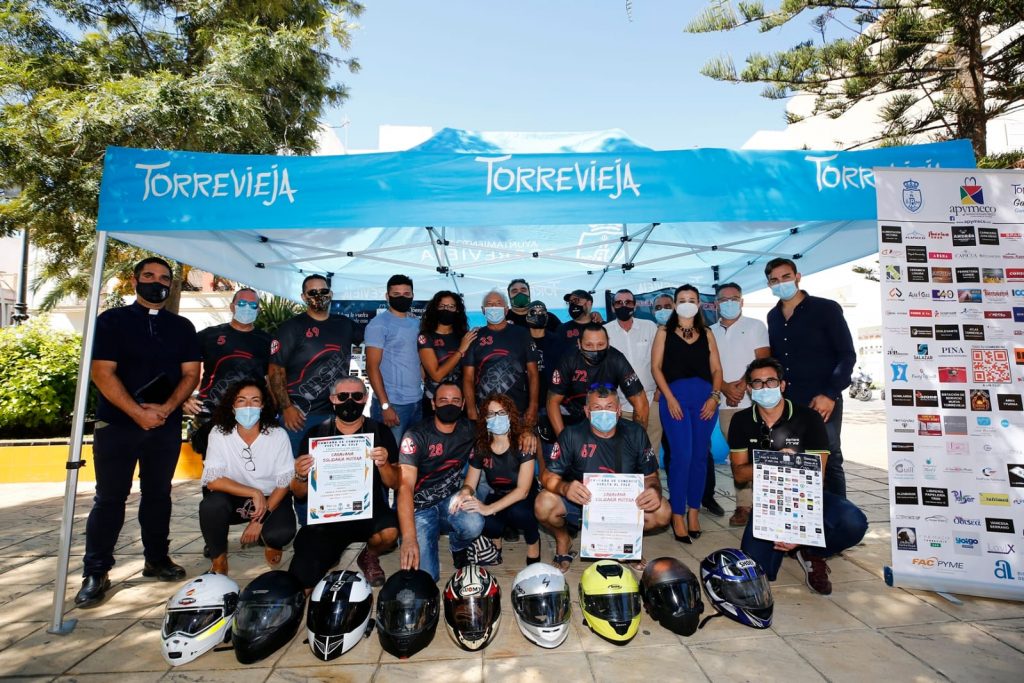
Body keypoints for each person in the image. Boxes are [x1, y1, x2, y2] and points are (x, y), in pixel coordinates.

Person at [76, 257, 201, 608]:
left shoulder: (182, 327)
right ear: (135, 281)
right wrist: (136, 412)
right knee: (110, 498)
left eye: (163, 277)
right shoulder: (112, 321)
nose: (156, 282)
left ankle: (156, 559)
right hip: (118, 424)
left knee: (159, 494)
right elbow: (102, 373)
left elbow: (191, 374)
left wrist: (164, 409)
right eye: (149, 276)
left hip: (164, 424)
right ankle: (96, 571)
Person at [729, 358, 868, 595]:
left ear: (782, 385)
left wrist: (798, 532)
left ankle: (812, 551)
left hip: (808, 497)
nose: (765, 388)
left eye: (771, 381)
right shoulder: (741, 421)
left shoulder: (809, 418)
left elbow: (818, 477)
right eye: (758, 383)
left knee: (854, 522)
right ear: (750, 390)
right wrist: (774, 465)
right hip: (769, 504)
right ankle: (795, 546)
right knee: (756, 572)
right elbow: (740, 474)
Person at [535, 387, 671, 573]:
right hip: (580, 501)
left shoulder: (636, 433)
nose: (604, 413)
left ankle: (626, 544)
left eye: (609, 407)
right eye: (597, 408)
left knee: (662, 511)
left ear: (618, 410)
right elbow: (547, 476)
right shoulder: (571, 435)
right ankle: (563, 540)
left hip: (623, 504)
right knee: (543, 503)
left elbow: (651, 476)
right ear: (587, 412)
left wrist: (654, 490)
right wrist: (565, 488)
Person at [289, 376, 400, 589]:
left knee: (390, 533)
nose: (350, 402)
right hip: (328, 514)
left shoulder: (380, 432)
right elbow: (299, 493)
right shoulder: (316, 435)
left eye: (357, 396)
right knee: (303, 574)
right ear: (332, 399)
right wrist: (301, 475)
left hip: (368, 510)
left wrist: (384, 463)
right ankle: (329, 554)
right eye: (343, 396)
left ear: (366, 399)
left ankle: (370, 555)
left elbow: (395, 483)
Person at [268, 274, 361, 525]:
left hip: (336, 415)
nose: (318, 296)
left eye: (323, 291)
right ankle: (299, 525)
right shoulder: (291, 328)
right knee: (296, 472)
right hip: (299, 415)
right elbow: (275, 371)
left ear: (331, 294)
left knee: (330, 473)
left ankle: (327, 522)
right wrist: (285, 407)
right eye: (312, 292)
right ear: (303, 297)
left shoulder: (345, 325)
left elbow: (375, 343)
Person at [764, 258, 857, 499]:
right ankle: (801, 518)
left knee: (830, 456)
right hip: (788, 403)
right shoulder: (772, 317)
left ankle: (839, 521)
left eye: (786, 277)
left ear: (797, 277)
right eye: (774, 280)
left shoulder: (826, 308)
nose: (781, 283)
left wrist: (830, 394)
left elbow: (846, 355)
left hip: (822, 398)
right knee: (791, 457)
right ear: (769, 284)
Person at [199, 380, 296, 575]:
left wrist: (259, 520)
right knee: (211, 506)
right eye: (241, 400)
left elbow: (285, 482)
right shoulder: (219, 433)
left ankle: (270, 542)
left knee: (281, 533)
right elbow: (213, 480)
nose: (248, 406)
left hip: (272, 498)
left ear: (263, 405)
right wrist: (253, 492)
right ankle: (218, 558)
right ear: (233, 405)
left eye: (255, 400)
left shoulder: (277, 435)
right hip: (233, 498)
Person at [651, 284, 723, 544]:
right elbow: (656, 368)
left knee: (700, 457)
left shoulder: (707, 332)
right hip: (675, 403)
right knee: (681, 456)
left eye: (692, 299)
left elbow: (716, 369)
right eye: (682, 299)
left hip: (705, 402)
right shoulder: (663, 332)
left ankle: (694, 511)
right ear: (675, 303)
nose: (687, 302)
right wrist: (669, 398)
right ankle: (678, 514)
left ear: (699, 303)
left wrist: (715, 397)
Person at [397, 382, 486, 581]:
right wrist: (410, 537)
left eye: (455, 401)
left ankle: (458, 545)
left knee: (474, 522)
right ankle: (419, 536)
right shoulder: (416, 436)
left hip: (450, 498)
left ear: (463, 404)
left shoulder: (471, 429)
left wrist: (467, 488)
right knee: (427, 578)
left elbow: (476, 464)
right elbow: (404, 487)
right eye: (443, 400)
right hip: (419, 507)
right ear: (433, 404)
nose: (449, 405)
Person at [709, 283, 770, 527]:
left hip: (757, 401)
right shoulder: (709, 331)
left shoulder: (755, 326)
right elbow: (708, 366)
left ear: (742, 301)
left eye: (734, 298)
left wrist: (744, 384)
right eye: (724, 299)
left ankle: (766, 504)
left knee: (762, 453)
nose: (729, 303)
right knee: (739, 456)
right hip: (725, 404)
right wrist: (725, 388)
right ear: (716, 304)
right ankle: (743, 507)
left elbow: (763, 359)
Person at [454, 394, 541, 565]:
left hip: (524, 495)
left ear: (510, 415)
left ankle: (533, 542)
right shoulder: (481, 445)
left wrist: (488, 508)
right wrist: (464, 494)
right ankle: (496, 542)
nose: (497, 418)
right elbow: (470, 483)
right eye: (491, 414)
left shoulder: (524, 442)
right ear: (484, 418)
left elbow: (522, 491)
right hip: (498, 493)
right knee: (483, 519)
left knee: (520, 513)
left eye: (502, 413)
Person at [547, 322, 648, 435]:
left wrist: (638, 440)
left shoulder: (617, 359)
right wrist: (563, 439)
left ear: (608, 343)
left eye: (600, 345)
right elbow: (552, 401)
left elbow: (641, 402)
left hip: (606, 417)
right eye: (589, 345)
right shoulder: (568, 359)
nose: (595, 350)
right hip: (572, 417)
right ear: (579, 344)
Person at [185, 288, 271, 419]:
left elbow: (274, 379)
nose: (247, 308)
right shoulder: (208, 335)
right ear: (232, 307)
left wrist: (273, 408)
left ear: (258, 310)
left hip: (250, 414)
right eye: (242, 303)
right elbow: (184, 368)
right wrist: (185, 397)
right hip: (210, 412)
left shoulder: (267, 341)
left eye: (253, 305)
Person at [462, 290, 540, 427]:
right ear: (483, 310)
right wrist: (471, 409)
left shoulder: (522, 334)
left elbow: (533, 374)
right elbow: (468, 378)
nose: (494, 307)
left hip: (519, 410)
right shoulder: (474, 337)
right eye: (490, 304)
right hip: (486, 411)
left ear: (506, 309)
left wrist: (533, 406)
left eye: (498, 304)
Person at [366, 274, 424, 446]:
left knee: (412, 459)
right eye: (396, 293)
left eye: (407, 293)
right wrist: (385, 406)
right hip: (393, 405)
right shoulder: (378, 324)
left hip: (416, 402)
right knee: (389, 460)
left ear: (413, 296)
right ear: (387, 296)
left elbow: (417, 361)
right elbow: (371, 367)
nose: (402, 297)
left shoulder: (417, 323)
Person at [605, 289, 662, 451]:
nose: (624, 306)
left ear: (635, 306)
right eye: (619, 303)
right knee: (622, 452)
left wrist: (660, 389)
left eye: (628, 302)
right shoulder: (606, 331)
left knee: (651, 451)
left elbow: (662, 359)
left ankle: (651, 477)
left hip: (651, 401)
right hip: (619, 405)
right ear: (613, 307)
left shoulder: (649, 327)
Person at [418, 290, 476, 418]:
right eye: (442, 306)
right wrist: (460, 351)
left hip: (460, 402)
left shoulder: (463, 337)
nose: (447, 310)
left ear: (457, 310)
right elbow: (436, 375)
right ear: (435, 309)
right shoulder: (426, 337)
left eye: (451, 307)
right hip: (435, 403)